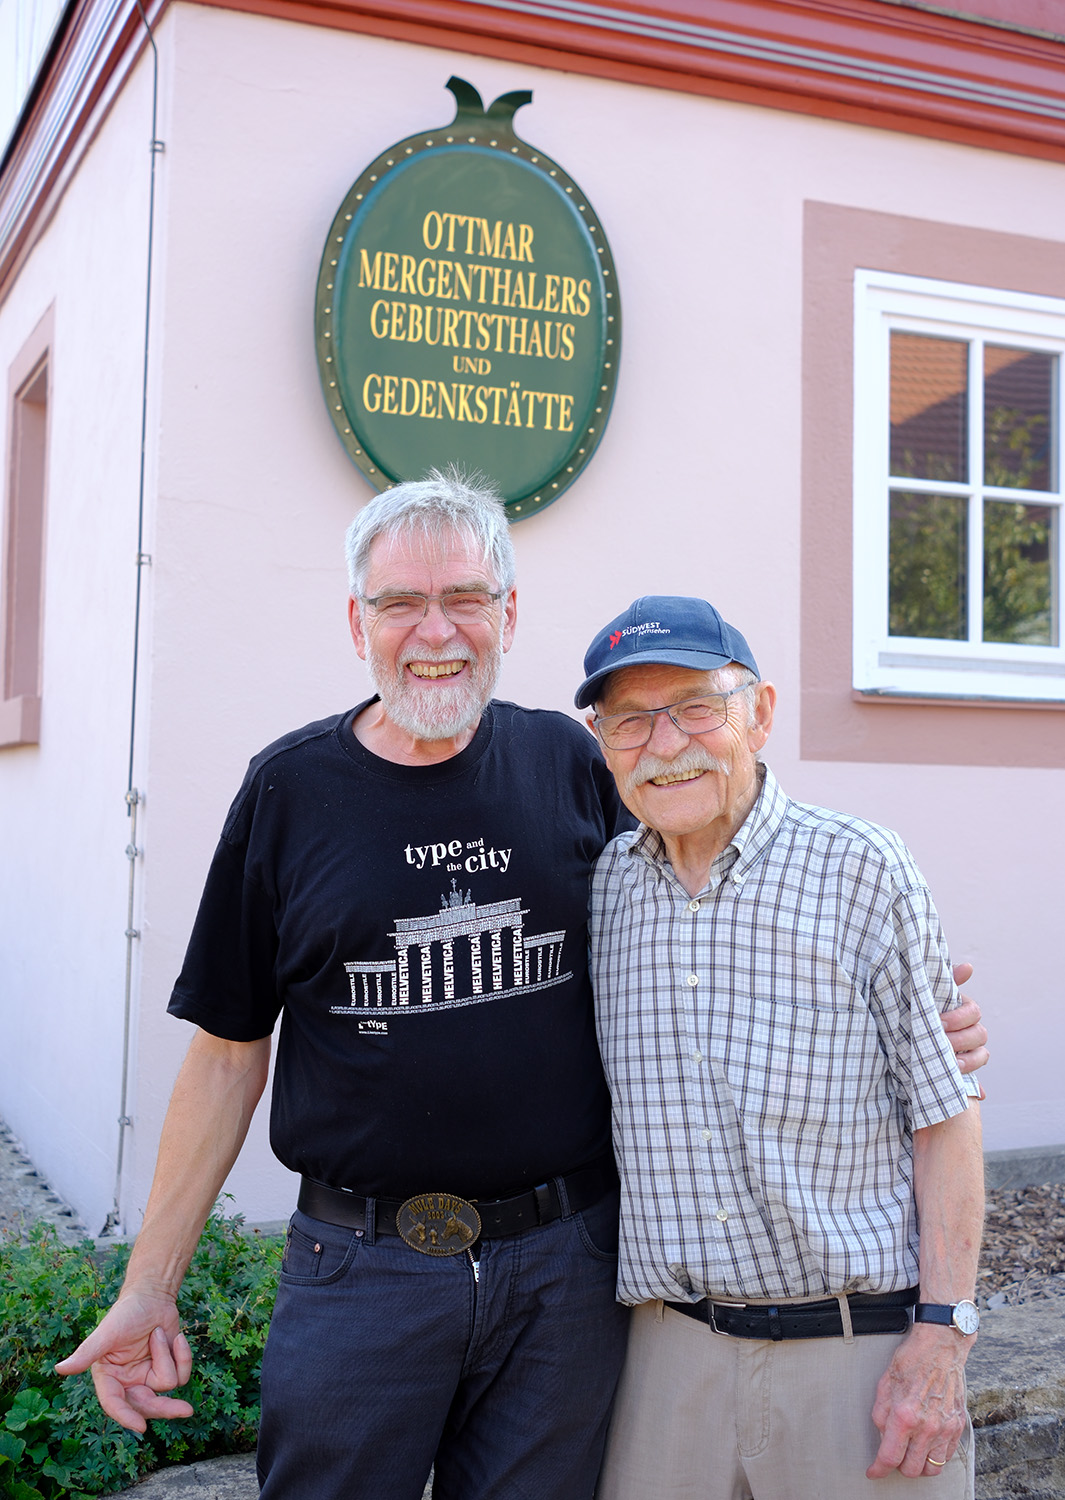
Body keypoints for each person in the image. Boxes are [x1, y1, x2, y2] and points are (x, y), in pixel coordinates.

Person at [57, 482, 987, 1500]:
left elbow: (703, 915)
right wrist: (150, 1284)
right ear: (356, 621)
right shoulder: (287, 792)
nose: (435, 631)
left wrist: (915, 1029)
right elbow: (229, 1052)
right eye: (400, 603)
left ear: (509, 613)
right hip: (362, 1270)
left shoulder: (570, 762)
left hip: (565, 1270)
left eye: (465, 596)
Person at [575, 595, 985, 1500]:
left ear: (758, 713)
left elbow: (945, 1116)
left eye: (694, 706)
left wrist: (942, 1335)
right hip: (666, 1361)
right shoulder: (601, 889)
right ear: (601, 743)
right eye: (628, 720)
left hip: (857, 1357)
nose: (663, 742)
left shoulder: (862, 868)